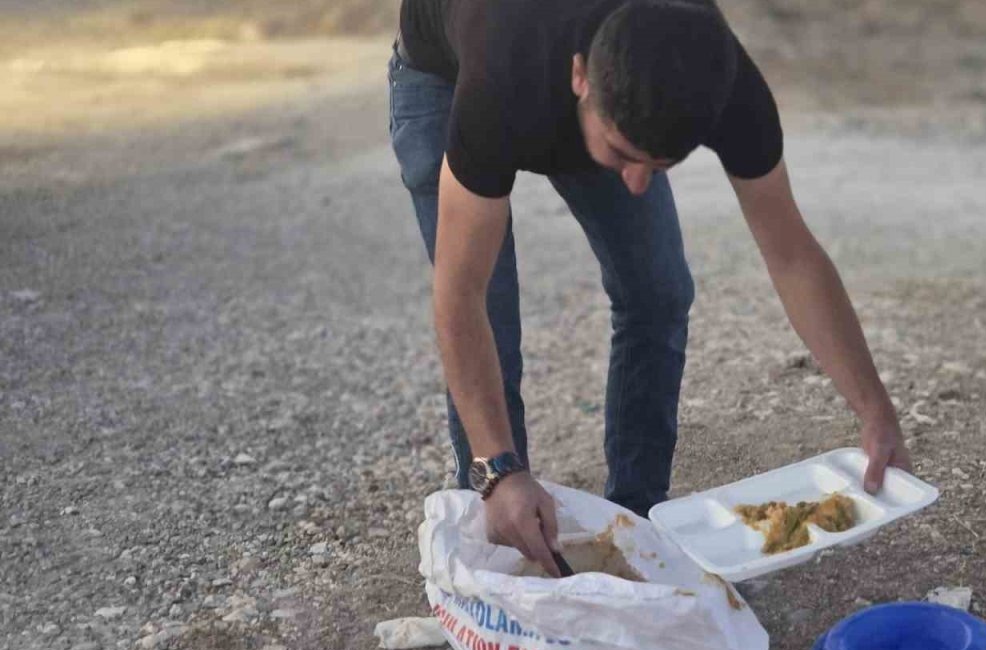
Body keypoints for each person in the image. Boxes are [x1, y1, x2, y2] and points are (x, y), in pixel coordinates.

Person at [389, 0, 911, 577]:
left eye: (661, 165)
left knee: (659, 292)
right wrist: (498, 469)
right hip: (445, 73)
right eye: (625, 156)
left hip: (586, 88)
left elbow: (792, 255)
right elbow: (460, 294)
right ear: (581, 77)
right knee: (492, 316)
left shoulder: (719, 78)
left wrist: (875, 409)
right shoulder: (504, 73)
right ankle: (502, 549)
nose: (637, 183)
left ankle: (636, 526)